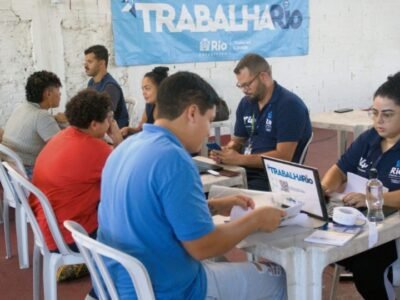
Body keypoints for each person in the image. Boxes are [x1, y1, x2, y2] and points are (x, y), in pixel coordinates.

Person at [95, 71, 287, 299]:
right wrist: (255, 219)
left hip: (121, 285)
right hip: (169, 290)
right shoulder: (174, 160)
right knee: (284, 281)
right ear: (193, 113)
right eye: (209, 120)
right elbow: (203, 247)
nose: (208, 132)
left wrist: (213, 206)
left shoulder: (125, 148)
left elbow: (153, 212)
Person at [322, 72, 400, 300]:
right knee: (318, 242)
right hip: (362, 222)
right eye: (374, 113)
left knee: (367, 268)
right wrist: (325, 187)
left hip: (392, 233)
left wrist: (373, 200)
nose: (378, 121)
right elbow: (340, 169)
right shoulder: (369, 139)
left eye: (387, 114)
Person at [29, 89, 122, 253]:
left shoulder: (62, 136)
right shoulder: (97, 149)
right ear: (94, 124)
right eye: (108, 119)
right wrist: (117, 139)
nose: (110, 123)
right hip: (71, 236)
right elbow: (127, 175)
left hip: (48, 228)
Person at [210, 53, 312, 191]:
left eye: (247, 85)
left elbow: (283, 157)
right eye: (240, 86)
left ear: (263, 77)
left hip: (273, 179)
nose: (244, 90)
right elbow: (238, 140)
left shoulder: (289, 105)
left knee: (221, 196)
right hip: (243, 169)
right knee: (203, 188)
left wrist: (238, 159)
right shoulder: (246, 103)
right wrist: (227, 151)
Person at [2, 71, 65, 177]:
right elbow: (62, 147)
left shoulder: (21, 108)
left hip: (9, 172)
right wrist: (69, 122)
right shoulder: (42, 116)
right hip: (27, 172)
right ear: (48, 94)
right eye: (58, 90)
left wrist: (55, 119)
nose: (60, 94)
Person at [84, 44, 129, 128]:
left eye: (89, 62)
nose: (85, 66)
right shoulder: (91, 82)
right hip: (97, 129)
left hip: (112, 134)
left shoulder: (110, 86)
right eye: (85, 62)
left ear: (101, 63)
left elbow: (103, 116)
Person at [120, 66, 169, 137]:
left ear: (160, 87)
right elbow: (140, 129)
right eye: (143, 89)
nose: (144, 92)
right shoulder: (149, 105)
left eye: (147, 88)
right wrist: (129, 129)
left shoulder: (169, 109)